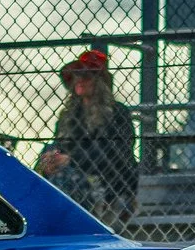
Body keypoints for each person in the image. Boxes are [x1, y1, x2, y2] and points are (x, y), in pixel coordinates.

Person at [34, 49, 137, 226]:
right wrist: (51, 158)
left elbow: (115, 153)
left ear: (99, 83)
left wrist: (71, 160)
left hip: (108, 179)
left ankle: (68, 224)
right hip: (70, 174)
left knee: (68, 179)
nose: (79, 80)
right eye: (76, 76)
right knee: (47, 156)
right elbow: (60, 146)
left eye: (86, 76)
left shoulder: (117, 113)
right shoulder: (68, 116)